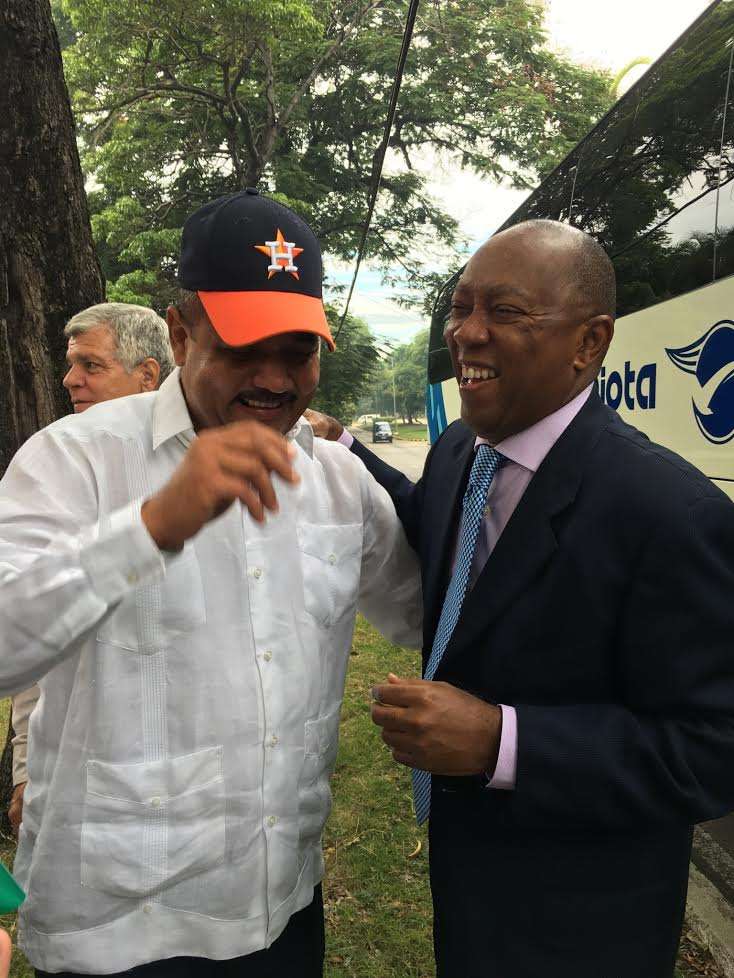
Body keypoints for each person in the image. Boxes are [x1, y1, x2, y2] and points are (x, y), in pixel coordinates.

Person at [0, 190, 420, 977]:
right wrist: (152, 526)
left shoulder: (339, 481)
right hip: (124, 928)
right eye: (243, 347)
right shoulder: (73, 459)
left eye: (297, 351)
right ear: (183, 330)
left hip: (283, 903)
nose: (272, 378)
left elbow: (422, 612)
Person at [311, 219, 734, 978]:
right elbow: (430, 528)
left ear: (589, 343)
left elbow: (713, 750)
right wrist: (344, 450)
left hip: (584, 925)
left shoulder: (669, 512)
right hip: (470, 885)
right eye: (460, 307)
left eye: (505, 312)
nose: (467, 334)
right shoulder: (460, 453)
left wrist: (501, 743)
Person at [8, 302, 175, 837]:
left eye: (91, 366)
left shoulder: (210, 460)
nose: (69, 379)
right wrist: (25, 765)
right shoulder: (60, 465)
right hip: (93, 795)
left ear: (148, 373)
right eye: (71, 364)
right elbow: (30, 626)